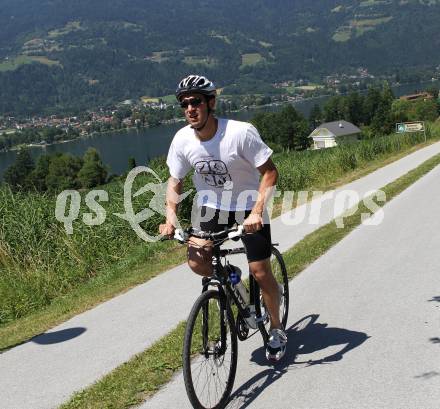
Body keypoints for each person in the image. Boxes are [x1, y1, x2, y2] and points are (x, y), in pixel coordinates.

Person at [159, 74, 287, 362]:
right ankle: (232, 281)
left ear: (210, 103)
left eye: (196, 102)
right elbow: (175, 180)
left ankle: (277, 329)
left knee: (261, 271)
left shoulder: (239, 133)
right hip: (211, 206)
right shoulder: (182, 140)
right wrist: (170, 217)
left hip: (246, 203)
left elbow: (270, 172)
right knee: (196, 260)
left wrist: (256, 212)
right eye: (184, 104)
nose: (190, 108)